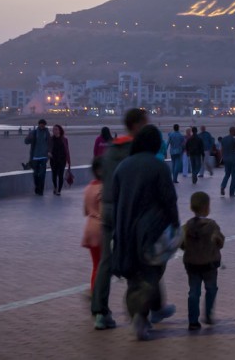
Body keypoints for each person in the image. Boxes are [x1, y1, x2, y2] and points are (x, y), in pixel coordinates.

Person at [111, 125, 180, 342]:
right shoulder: (159, 167)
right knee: (151, 272)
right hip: (151, 229)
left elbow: (115, 199)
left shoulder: (122, 167)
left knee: (133, 274)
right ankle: (142, 314)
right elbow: (169, 199)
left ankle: (143, 315)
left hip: (125, 228)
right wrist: (175, 223)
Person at [91, 108, 146, 331]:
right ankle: (138, 313)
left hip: (108, 209)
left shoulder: (111, 149)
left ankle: (100, 311)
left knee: (106, 261)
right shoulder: (135, 149)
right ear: (136, 125)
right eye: (144, 123)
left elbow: (103, 175)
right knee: (137, 261)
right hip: (128, 211)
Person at [182, 191, 225, 331]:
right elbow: (220, 242)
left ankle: (193, 321)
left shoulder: (187, 226)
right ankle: (208, 314)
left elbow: (182, 244)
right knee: (211, 289)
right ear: (207, 207)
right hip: (209, 264)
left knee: (193, 292)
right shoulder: (212, 226)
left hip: (192, 264)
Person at [83, 156, 104, 289]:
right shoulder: (103, 188)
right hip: (100, 229)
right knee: (102, 265)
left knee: (96, 265)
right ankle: (97, 294)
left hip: (89, 227)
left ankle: (93, 291)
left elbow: (85, 211)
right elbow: (104, 214)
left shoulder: (88, 188)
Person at [24, 120, 50, 196]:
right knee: (35, 174)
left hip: (44, 157)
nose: (42, 126)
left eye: (43, 125)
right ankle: (37, 187)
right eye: (41, 124)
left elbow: (50, 143)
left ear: (45, 125)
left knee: (42, 174)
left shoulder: (47, 133)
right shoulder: (34, 132)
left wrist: (49, 152)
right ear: (38, 124)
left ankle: (41, 190)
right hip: (35, 157)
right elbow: (26, 142)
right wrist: (29, 138)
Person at [49, 124, 71, 196]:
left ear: (59, 130)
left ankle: (59, 190)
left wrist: (68, 161)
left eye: (56, 129)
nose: (54, 131)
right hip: (53, 160)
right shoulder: (51, 139)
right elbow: (48, 149)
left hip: (62, 160)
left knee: (60, 175)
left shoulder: (64, 139)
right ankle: (55, 187)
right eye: (54, 129)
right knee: (54, 175)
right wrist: (48, 153)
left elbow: (67, 150)